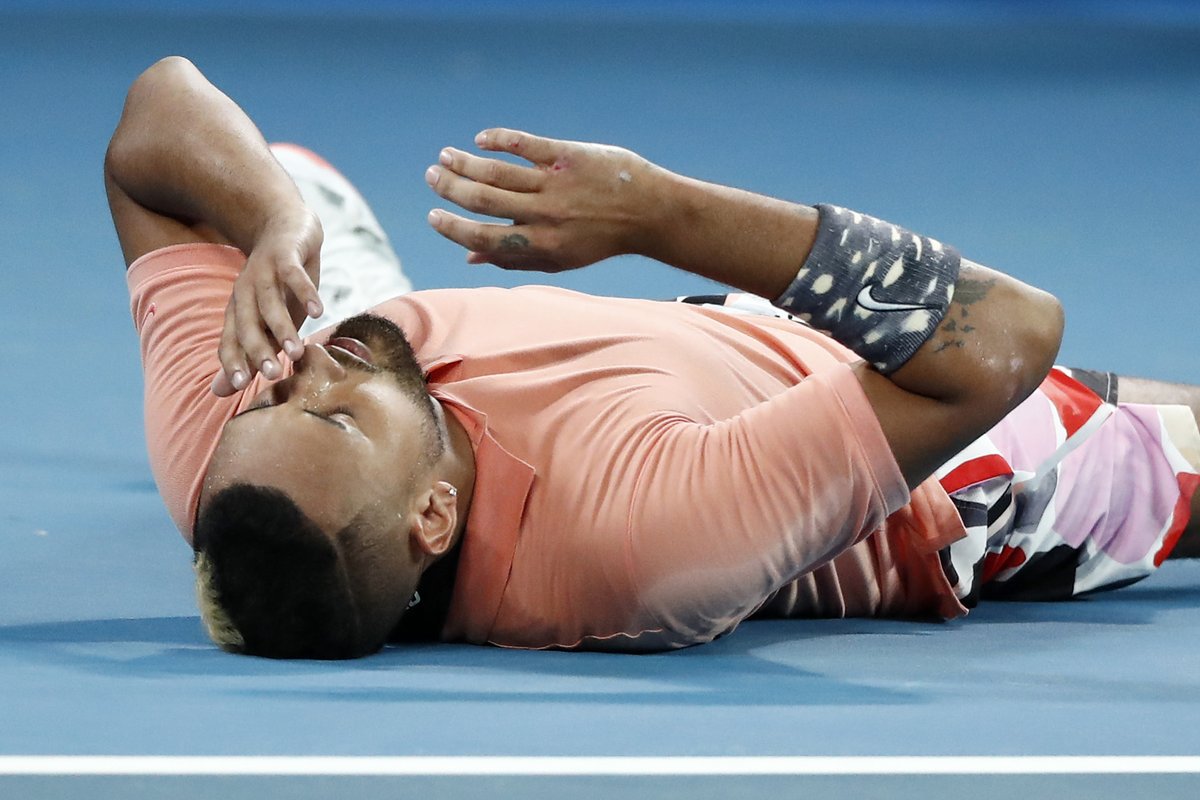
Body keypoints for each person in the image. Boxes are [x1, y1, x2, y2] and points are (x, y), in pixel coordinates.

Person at [108, 57, 1200, 660]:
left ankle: (328, 242)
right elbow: (1009, 335)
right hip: (939, 476)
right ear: (432, 518)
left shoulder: (238, 448)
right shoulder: (639, 540)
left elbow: (156, 121)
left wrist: (274, 218)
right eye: (336, 412)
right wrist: (659, 212)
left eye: (278, 393)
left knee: (280, 213)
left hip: (689, 349)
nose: (307, 367)